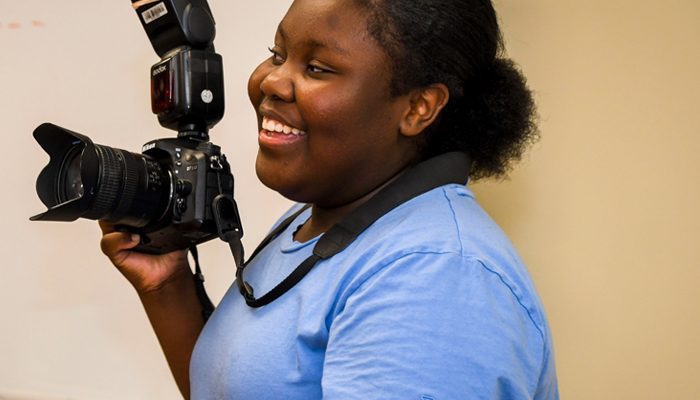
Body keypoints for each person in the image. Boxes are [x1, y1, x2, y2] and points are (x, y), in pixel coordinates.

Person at [100, 0, 559, 398]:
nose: (271, 82)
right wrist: (167, 286)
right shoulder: (312, 220)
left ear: (419, 108)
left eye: (317, 68)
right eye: (276, 55)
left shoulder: (436, 274)